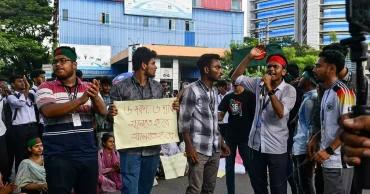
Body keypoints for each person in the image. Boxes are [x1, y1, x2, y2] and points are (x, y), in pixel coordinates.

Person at [108, 47, 180, 194]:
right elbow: (112, 117)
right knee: (130, 190)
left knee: (145, 190)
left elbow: (162, 113)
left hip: (152, 150)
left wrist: (172, 108)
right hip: (129, 151)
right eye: (153, 63)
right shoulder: (120, 87)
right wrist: (112, 113)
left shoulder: (158, 87)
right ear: (144, 65)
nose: (156, 66)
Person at [36, 46, 107, 194]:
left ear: (74, 64)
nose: (58, 64)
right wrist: (80, 101)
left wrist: (94, 96)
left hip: (87, 153)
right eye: (55, 62)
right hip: (58, 156)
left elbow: (103, 111)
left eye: (63, 61)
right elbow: (48, 111)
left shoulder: (88, 87)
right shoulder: (46, 87)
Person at [231, 45, 296, 194]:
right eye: (269, 66)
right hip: (256, 145)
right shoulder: (257, 83)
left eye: (276, 66)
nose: (271, 69)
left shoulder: (289, 90)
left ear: (284, 71)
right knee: (258, 186)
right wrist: (249, 56)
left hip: (276, 147)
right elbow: (235, 78)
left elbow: (281, 113)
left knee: (278, 189)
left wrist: (269, 88)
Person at [179, 53, 230, 194]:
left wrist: (221, 141)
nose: (221, 71)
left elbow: (213, 121)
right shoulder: (191, 90)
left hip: (214, 149)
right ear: (207, 70)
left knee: (209, 189)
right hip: (198, 149)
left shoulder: (214, 90)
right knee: (194, 189)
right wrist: (189, 148)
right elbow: (184, 121)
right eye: (217, 67)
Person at [310, 50, 355, 194]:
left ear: (332, 69)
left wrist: (329, 150)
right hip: (328, 161)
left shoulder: (343, 92)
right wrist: (315, 137)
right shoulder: (327, 92)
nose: (314, 70)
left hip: (338, 163)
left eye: (318, 66)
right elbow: (331, 124)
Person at [218, 69, 256, 194]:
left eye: (236, 79)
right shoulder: (228, 98)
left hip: (246, 138)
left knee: (250, 166)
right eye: (232, 80)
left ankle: (258, 190)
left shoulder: (251, 96)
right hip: (230, 138)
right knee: (229, 167)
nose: (233, 82)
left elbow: (257, 117)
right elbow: (220, 116)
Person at [292, 66, 317, 194]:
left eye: (302, 77)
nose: (299, 79)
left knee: (305, 183)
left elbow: (309, 127)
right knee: (298, 180)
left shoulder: (311, 100)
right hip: (299, 146)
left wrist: (308, 152)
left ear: (308, 81)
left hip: (304, 148)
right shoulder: (306, 98)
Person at [8, 75, 38, 173]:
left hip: (33, 128)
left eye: (23, 81)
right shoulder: (11, 97)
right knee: (20, 154)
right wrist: (27, 88)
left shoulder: (30, 95)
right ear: (13, 84)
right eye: (19, 81)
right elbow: (20, 103)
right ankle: (20, 181)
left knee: (35, 153)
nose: (23, 83)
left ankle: (34, 178)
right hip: (19, 129)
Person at [96, 76, 113, 149]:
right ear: (101, 85)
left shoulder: (114, 96)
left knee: (112, 149)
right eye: (106, 85)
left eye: (109, 85)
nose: (108, 87)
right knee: (101, 149)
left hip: (112, 128)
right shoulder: (97, 97)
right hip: (100, 127)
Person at [30, 69, 46, 140]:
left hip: (44, 122)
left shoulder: (44, 90)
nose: (44, 79)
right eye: (41, 77)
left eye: (44, 77)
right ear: (35, 79)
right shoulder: (31, 92)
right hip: (38, 123)